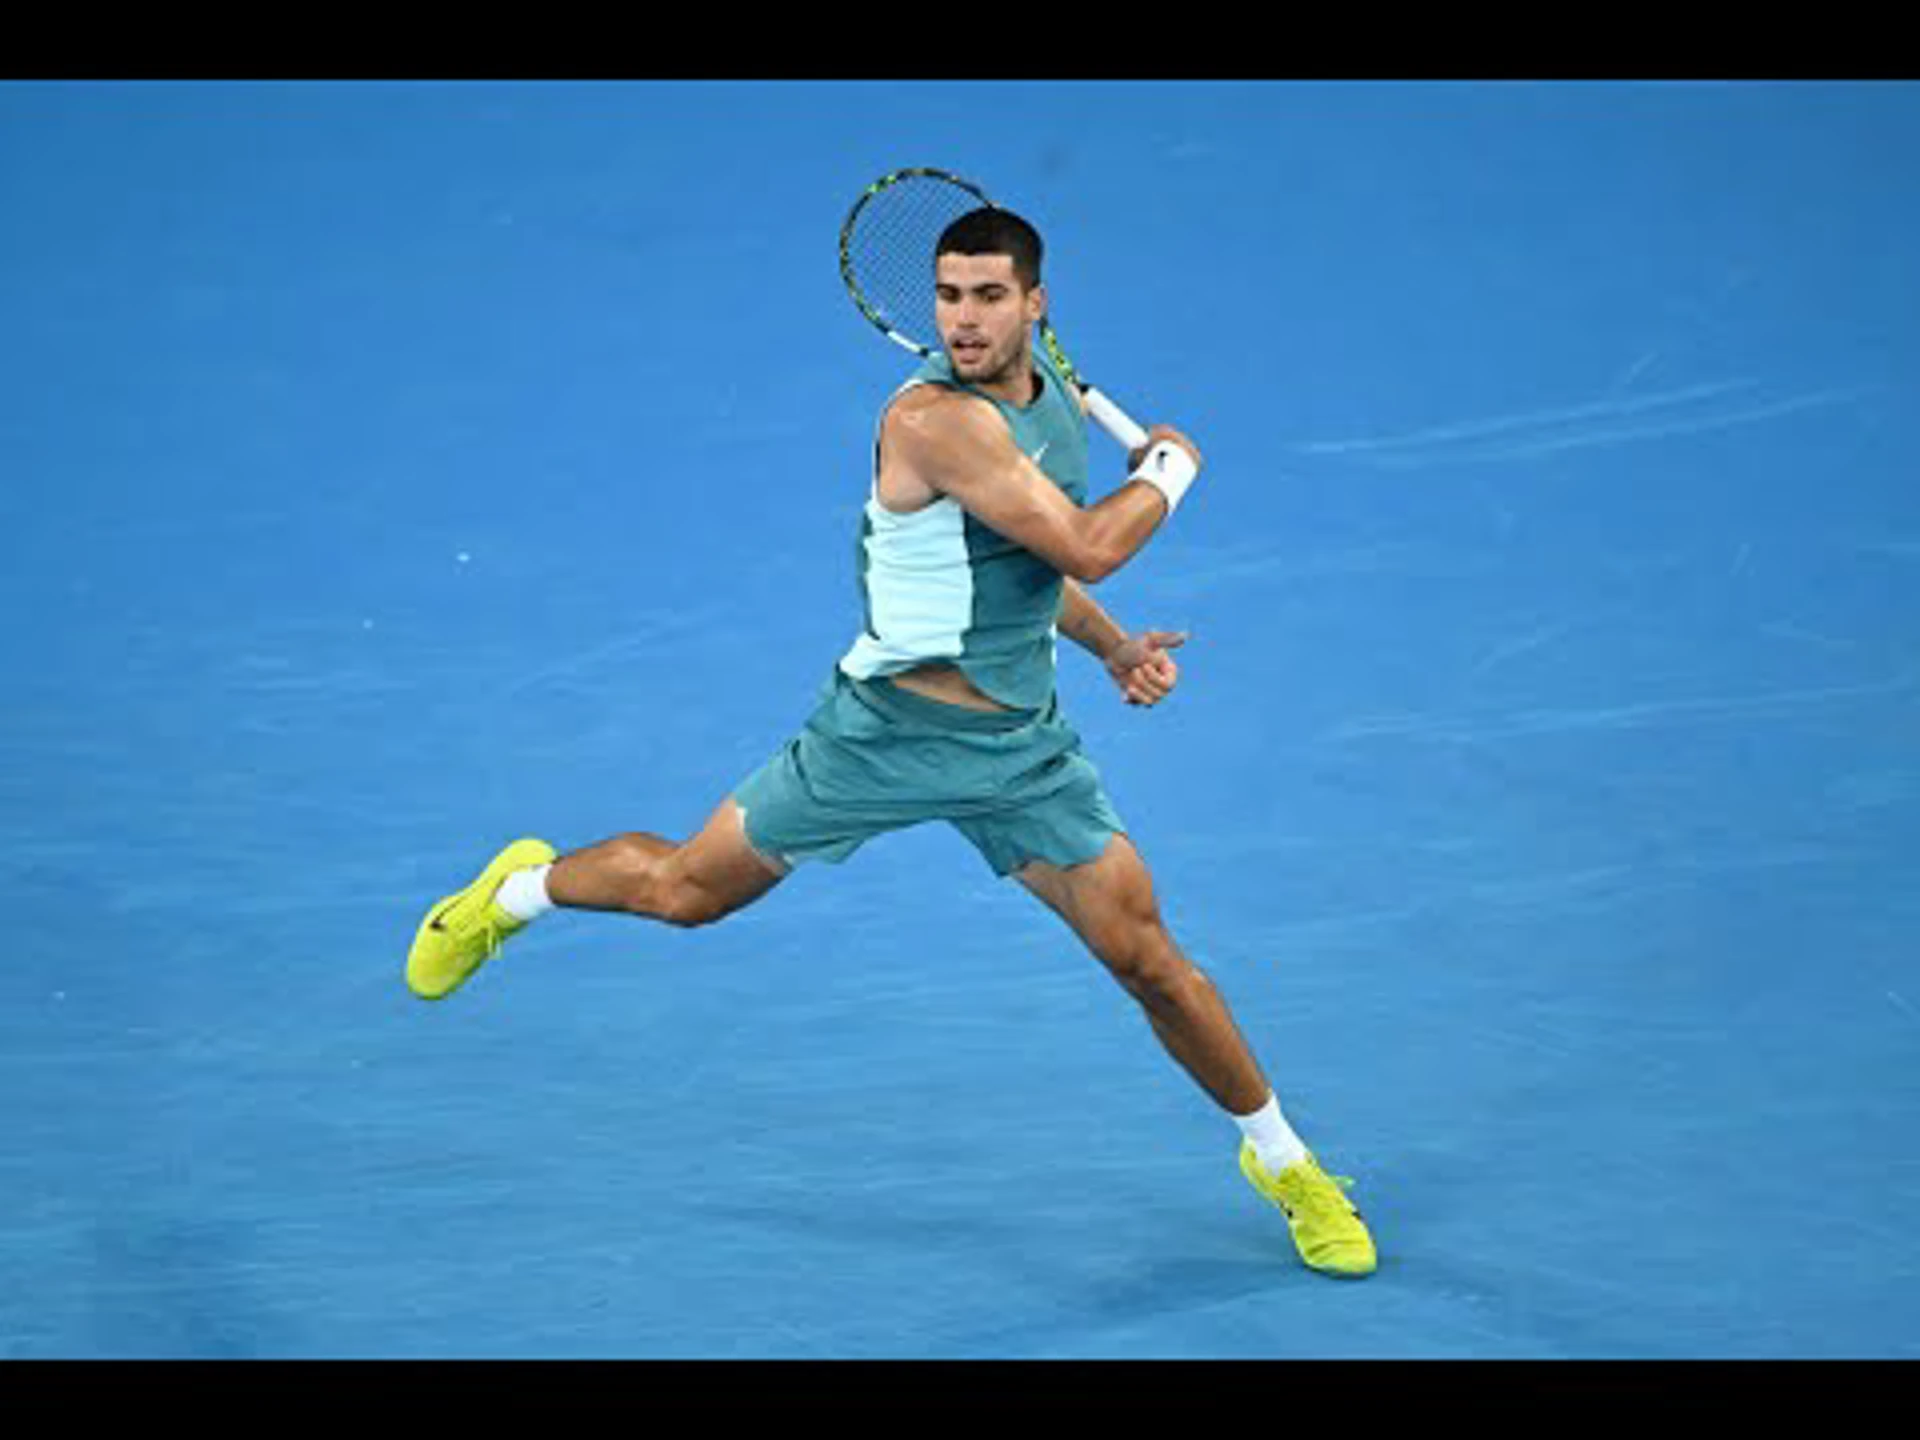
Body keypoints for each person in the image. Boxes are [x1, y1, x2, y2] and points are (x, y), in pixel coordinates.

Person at [405, 207, 1376, 1278]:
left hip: (1020, 751)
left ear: (1035, 304)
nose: (962, 319)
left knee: (1148, 960)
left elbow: (1028, 575)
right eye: (949, 295)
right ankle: (514, 894)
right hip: (878, 735)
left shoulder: (1047, 407)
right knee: (685, 893)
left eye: (989, 296)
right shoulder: (932, 423)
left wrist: (1104, 654)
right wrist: (1170, 470)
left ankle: (1285, 1165)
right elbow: (1091, 547)